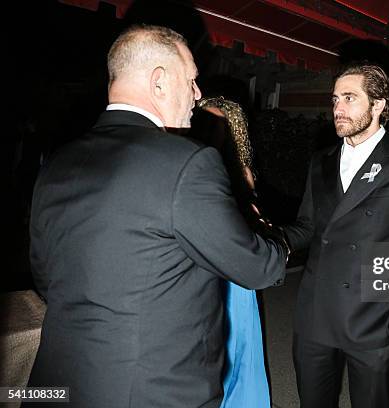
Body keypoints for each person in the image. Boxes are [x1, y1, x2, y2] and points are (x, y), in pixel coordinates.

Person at [26, 25, 288, 407]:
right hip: (150, 391)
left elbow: (47, 278)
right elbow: (257, 268)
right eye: (193, 81)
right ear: (160, 82)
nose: (197, 95)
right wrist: (279, 241)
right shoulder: (188, 162)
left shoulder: (59, 161)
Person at [283, 63, 389, 408]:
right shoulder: (320, 161)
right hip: (315, 317)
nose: (338, 109)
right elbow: (307, 226)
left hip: (374, 320)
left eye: (350, 98)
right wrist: (270, 241)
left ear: (379, 105)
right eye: (335, 99)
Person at [197, 96, 271, 408]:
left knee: (236, 346)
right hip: (199, 266)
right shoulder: (188, 164)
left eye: (219, 124)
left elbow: (252, 224)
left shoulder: (241, 173)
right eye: (206, 121)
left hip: (232, 275)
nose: (211, 130)